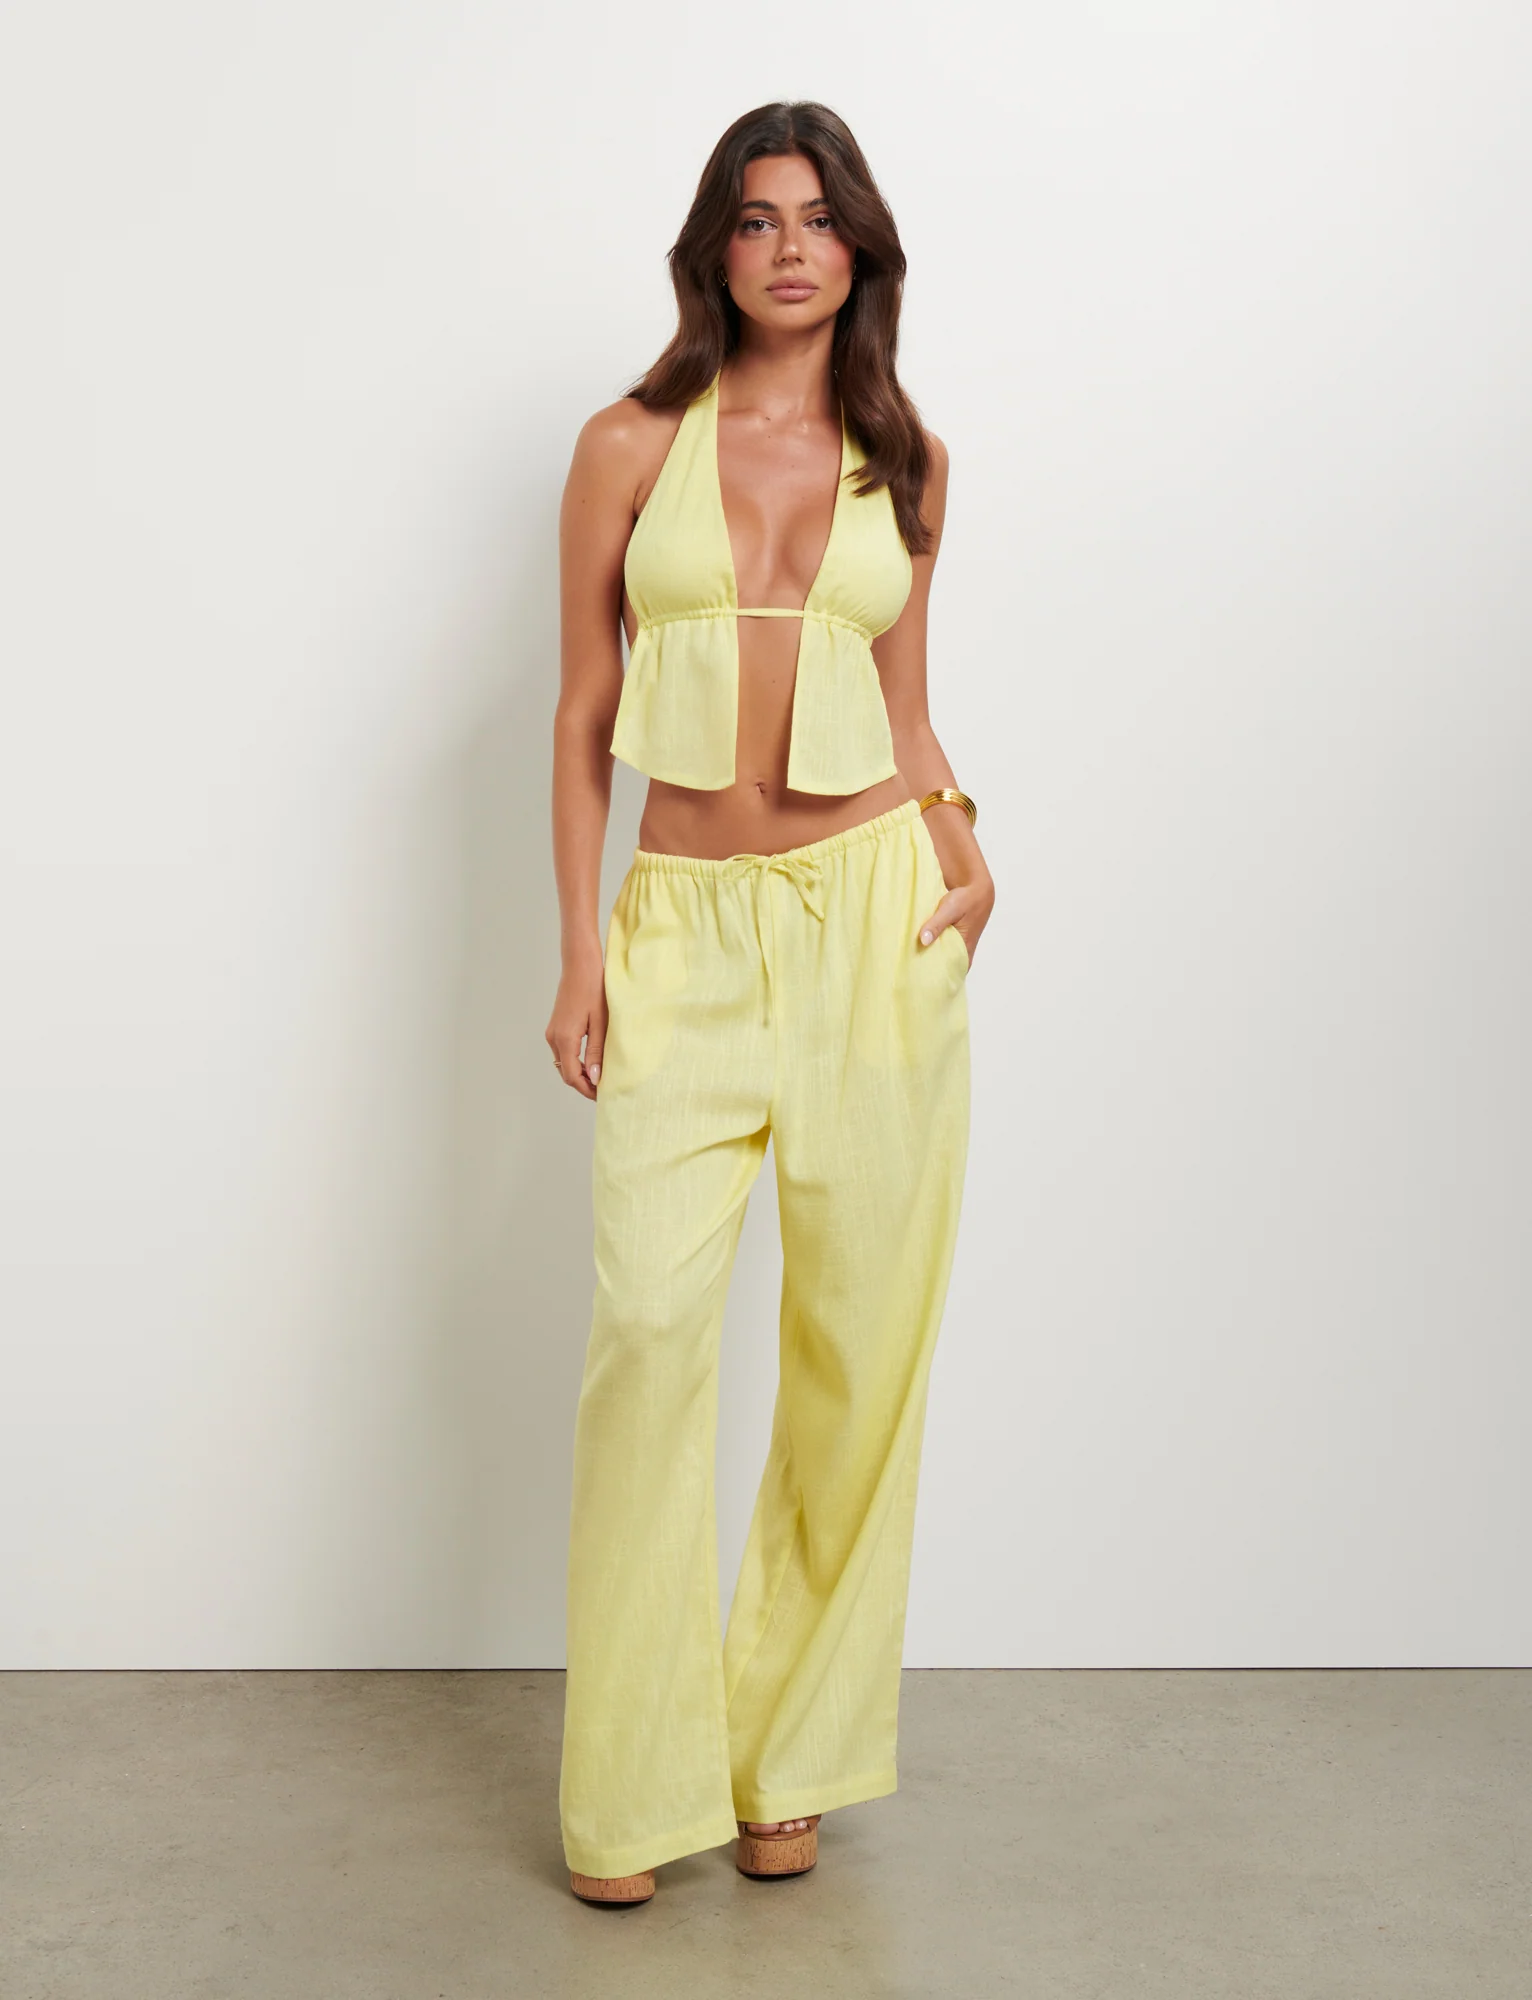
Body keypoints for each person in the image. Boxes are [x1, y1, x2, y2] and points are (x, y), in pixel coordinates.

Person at [546, 99, 994, 1907]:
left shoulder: (912, 457)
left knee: (858, 1349)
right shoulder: (625, 444)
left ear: (858, 245)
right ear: (713, 249)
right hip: (686, 927)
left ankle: (790, 1758)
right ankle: (630, 1787)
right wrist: (581, 950)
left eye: (816, 217)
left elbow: (909, 710)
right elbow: (585, 715)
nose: (788, 246)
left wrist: (965, 839)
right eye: (754, 218)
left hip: (878, 921)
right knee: (650, 1332)